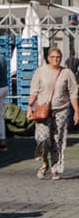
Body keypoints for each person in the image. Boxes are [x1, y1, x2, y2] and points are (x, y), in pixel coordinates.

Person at [28, 45, 79, 180]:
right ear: (48, 58)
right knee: (42, 138)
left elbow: (73, 93)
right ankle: (44, 163)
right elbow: (34, 91)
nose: (56, 60)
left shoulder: (67, 73)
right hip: (42, 110)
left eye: (58, 57)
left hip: (61, 109)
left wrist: (77, 112)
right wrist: (29, 107)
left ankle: (55, 168)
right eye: (53, 57)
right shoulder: (40, 72)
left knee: (57, 139)